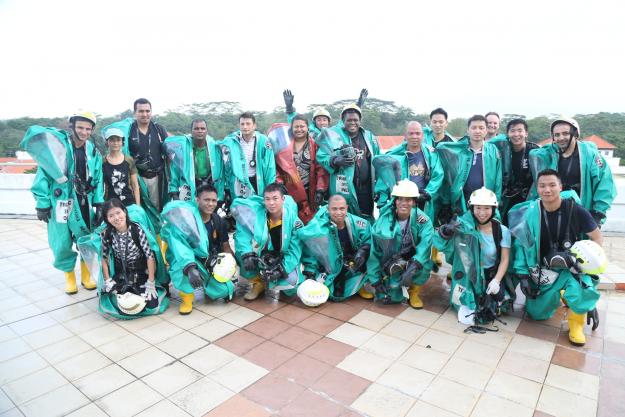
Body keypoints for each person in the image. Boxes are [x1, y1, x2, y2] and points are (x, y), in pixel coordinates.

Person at [509, 169, 603, 345]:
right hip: (544, 270)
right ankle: (562, 296)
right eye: (542, 186)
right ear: (537, 189)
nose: (547, 190)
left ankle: (576, 323)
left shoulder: (576, 210)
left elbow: (597, 237)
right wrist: (523, 276)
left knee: (581, 290)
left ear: (560, 186)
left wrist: (590, 273)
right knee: (537, 314)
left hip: (572, 268)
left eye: (552, 185)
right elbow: (521, 245)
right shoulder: (530, 213)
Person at [22, 112, 102, 294]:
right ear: (72, 126)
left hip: (83, 202)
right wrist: (42, 203)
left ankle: (86, 276)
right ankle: (70, 278)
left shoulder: (93, 151)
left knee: (86, 239)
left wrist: (99, 203)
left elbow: (98, 178)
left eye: (88, 129)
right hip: (60, 203)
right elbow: (44, 174)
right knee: (61, 241)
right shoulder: (58, 149)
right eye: (80, 127)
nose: (84, 132)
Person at [78, 199, 169, 318]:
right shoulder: (107, 233)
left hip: (141, 273)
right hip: (121, 275)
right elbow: (104, 258)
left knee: (151, 304)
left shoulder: (137, 230)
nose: (116, 218)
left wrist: (151, 282)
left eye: (118, 213)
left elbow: (150, 257)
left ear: (125, 212)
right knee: (117, 304)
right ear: (107, 219)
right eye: (111, 215)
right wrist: (108, 281)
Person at [435, 187, 512, 325]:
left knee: (494, 305)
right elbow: (440, 244)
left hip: (489, 274)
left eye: (487, 208)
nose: (482, 213)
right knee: (465, 309)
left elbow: (505, 259)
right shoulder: (464, 228)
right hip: (467, 275)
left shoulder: (502, 231)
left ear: (494, 209)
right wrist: (445, 232)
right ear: (472, 208)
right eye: (478, 208)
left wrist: (496, 281)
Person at [528, 116, 616, 227]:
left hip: (582, 211)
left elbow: (605, 184)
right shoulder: (551, 153)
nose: (561, 138)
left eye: (565, 133)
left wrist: (598, 212)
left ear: (575, 134)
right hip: (555, 211)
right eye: (557, 135)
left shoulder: (589, 155)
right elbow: (534, 154)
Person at [161, 190, 236, 314]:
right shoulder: (185, 220)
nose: (210, 204)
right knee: (181, 266)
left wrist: (233, 265)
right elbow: (179, 247)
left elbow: (225, 246)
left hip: (207, 262)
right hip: (185, 260)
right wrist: (190, 267)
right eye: (206, 200)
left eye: (213, 200)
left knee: (224, 290)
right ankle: (187, 298)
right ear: (197, 200)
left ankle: (208, 286)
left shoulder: (218, 221)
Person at [365, 180, 434, 308]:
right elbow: (375, 252)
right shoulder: (383, 222)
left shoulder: (424, 221)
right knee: (391, 297)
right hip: (390, 262)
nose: (404, 203)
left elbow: (425, 246)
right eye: (400, 199)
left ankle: (414, 292)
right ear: (395, 201)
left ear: (414, 202)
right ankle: (391, 283)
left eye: (408, 200)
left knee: (425, 265)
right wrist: (375, 280)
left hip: (411, 260)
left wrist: (415, 264)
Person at [232, 183, 304, 301]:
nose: (271, 203)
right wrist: (247, 254)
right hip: (262, 256)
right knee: (244, 255)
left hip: (282, 259)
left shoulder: (295, 221)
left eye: (275, 198)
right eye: (267, 199)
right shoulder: (256, 215)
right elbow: (242, 235)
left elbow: (295, 251)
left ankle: (276, 281)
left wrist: (281, 270)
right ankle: (258, 283)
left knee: (291, 286)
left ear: (283, 199)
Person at [299, 194, 371, 301]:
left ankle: (360, 286)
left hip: (351, 264)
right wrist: (310, 273)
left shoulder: (359, 224)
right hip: (329, 267)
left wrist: (363, 251)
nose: (338, 213)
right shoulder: (318, 229)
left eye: (342, 209)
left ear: (347, 208)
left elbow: (369, 238)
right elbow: (310, 252)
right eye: (334, 209)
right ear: (328, 209)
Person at [316, 104, 380, 219]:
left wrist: (379, 188)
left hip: (366, 189)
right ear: (342, 121)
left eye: (355, 120)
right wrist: (335, 160)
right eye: (349, 120)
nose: (352, 123)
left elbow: (378, 160)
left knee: (366, 218)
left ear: (360, 120)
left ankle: (366, 237)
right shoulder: (333, 135)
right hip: (342, 189)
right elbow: (321, 156)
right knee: (343, 219)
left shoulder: (369, 137)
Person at [373, 121, 444, 222]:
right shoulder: (393, 155)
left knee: (422, 231)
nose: (414, 136)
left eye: (417, 133)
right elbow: (384, 178)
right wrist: (382, 202)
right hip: (400, 203)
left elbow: (438, 175)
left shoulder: (431, 155)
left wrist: (428, 192)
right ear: (405, 135)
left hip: (422, 202)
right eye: (411, 133)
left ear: (422, 136)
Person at [436, 115, 502, 221]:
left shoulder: (493, 150)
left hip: (486, 202)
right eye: (474, 127)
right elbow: (440, 147)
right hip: (463, 200)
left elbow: (498, 179)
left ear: (486, 131)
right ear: (468, 130)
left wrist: (497, 201)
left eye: (481, 128)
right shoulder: (461, 151)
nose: (477, 131)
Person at [268, 115, 329, 223]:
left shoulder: (314, 145)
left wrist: (320, 190)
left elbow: (320, 169)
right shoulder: (283, 146)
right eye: (296, 127)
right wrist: (280, 183)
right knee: (290, 221)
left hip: (310, 191)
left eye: (302, 126)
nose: (299, 129)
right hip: (288, 190)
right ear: (291, 128)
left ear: (307, 127)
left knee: (310, 221)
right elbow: (276, 166)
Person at [489, 118, 539, 222]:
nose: (516, 134)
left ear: (526, 133)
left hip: (527, 200)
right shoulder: (501, 151)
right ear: (507, 134)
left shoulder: (534, 151)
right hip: (506, 199)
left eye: (520, 130)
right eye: (512, 131)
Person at [220, 112, 277, 201]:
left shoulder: (263, 141)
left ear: (254, 125)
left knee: (258, 207)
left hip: (257, 181)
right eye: (242, 124)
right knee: (241, 209)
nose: (245, 127)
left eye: (248, 124)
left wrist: (270, 187)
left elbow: (269, 166)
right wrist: (228, 184)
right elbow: (226, 164)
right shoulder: (232, 141)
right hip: (239, 182)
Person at [127, 98, 170, 212]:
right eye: (141, 111)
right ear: (135, 112)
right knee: (140, 207)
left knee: (157, 207)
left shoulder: (158, 129)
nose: (144, 114)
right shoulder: (129, 131)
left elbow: (169, 153)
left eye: (147, 111)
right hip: (137, 177)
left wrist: (170, 177)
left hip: (157, 176)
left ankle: (156, 229)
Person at [283, 88, 368, 138]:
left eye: (324, 120)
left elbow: (346, 121)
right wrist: (289, 108)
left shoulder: (334, 132)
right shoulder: (309, 133)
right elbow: (296, 122)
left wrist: (358, 105)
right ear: (314, 122)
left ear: (328, 122)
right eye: (319, 120)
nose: (322, 122)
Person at [102, 128, 140, 206]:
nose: (115, 143)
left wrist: (138, 206)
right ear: (107, 142)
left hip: (129, 202)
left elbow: (135, 185)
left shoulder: (128, 160)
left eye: (118, 140)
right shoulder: (102, 162)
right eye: (112, 140)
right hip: (111, 204)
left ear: (122, 142)